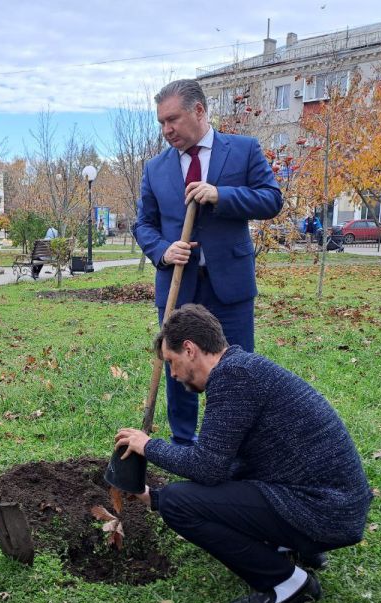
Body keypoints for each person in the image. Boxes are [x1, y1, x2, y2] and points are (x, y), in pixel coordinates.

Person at [114, 304, 371, 603]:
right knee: (178, 496)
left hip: (325, 511)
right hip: (332, 505)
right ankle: (290, 547)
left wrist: (148, 446)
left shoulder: (233, 376)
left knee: (177, 503)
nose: (173, 374)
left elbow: (207, 467)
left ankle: (289, 584)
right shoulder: (242, 369)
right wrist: (153, 497)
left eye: (171, 361)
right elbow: (228, 466)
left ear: (190, 349)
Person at [133, 79, 283, 446]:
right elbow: (143, 224)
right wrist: (163, 251)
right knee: (177, 367)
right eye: (161, 122)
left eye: (173, 119)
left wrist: (221, 195)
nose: (166, 130)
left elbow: (271, 199)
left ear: (199, 110)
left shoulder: (243, 150)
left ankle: (235, 445)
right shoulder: (155, 168)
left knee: (237, 369)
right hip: (178, 285)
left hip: (229, 285)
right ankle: (184, 444)